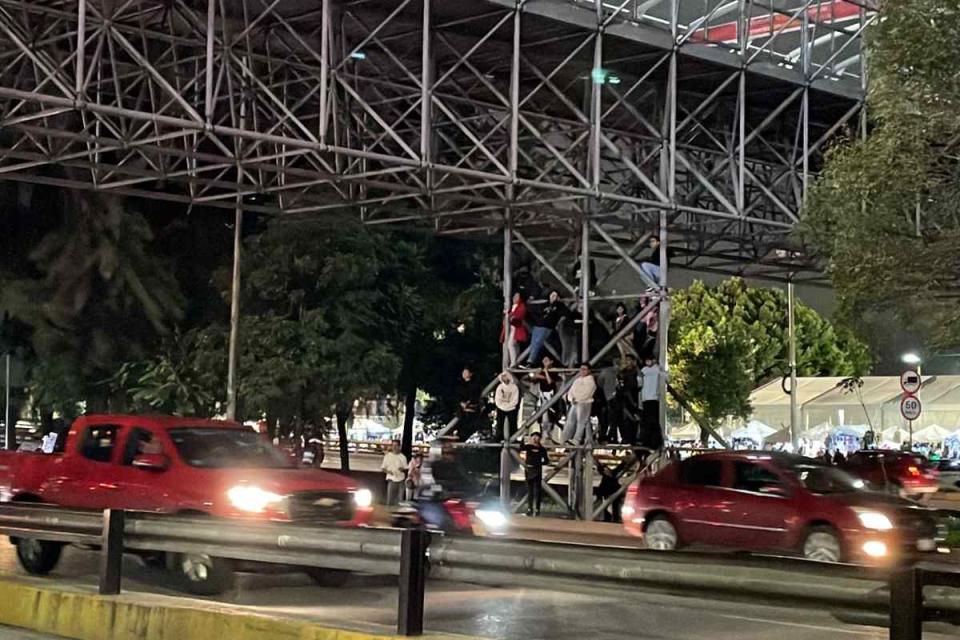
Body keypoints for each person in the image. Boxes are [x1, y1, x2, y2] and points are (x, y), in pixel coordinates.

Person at [527, 290, 567, 366]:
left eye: (555, 295)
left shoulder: (560, 306)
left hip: (547, 326)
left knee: (538, 342)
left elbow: (565, 314)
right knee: (533, 343)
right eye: (552, 295)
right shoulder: (545, 304)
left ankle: (530, 361)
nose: (553, 297)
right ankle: (530, 361)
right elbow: (538, 311)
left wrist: (559, 322)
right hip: (538, 325)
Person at [563, 363, 597, 445]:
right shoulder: (577, 380)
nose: (582, 371)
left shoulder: (591, 381)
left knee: (581, 422)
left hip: (584, 403)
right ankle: (565, 438)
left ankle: (576, 440)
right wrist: (571, 398)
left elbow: (587, 393)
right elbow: (571, 391)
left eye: (584, 369)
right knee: (570, 421)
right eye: (581, 369)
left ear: (589, 370)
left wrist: (576, 398)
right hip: (574, 403)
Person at [531, 355, 563, 441]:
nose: (544, 361)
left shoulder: (554, 371)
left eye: (547, 360)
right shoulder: (541, 370)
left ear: (551, 361)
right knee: (542, 416)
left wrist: (545, 373)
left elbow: (550, 381)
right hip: (542, 396)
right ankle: (543, 434)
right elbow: (534, 378)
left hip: (551, 396)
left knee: (550, 416)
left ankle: (548, 435)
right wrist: (539, 374)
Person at [639, 357, 667, 451]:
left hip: (654, 398)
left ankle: (655, 442)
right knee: (647, 422)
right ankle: (648, 441)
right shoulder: (644, 370)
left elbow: (666, 376)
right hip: (645, 399)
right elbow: (639, 382)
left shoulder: (657, 369)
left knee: (653, 421)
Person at [612, 355, 641, 445]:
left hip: (632, 397)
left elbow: (638, 385)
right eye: (626, 360)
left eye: (629, 360)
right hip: (622, 397)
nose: (627, 362)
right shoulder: (622, 372)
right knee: (621, 419)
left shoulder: (636, 372)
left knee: (632, 419)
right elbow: (618, 384)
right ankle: (625, 437)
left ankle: (632, 438)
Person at [520, 432, 550, 516]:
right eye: (533, 437)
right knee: (530, 491)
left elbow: (546, 460)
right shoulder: (529, 447)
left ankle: (537, 509)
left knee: (537, 490)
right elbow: (521, 448)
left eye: (537, 437)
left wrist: (539, 463)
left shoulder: (542, 449)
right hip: (529, 469)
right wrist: (523, 439)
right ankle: (530, 509)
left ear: (539, 438)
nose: (535, 439)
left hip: (537, 470)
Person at [500, 291, 529, 366]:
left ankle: (514, 362)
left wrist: (512, 317)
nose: (514, 298)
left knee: (511, 344)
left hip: (517, 327)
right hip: (511, 327)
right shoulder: (513, 306)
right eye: (514, 296)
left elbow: (519, 315)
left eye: (517, 296)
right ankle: (515, 360)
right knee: (512, 344)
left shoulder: (522, 306)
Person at [455, 366, 483, 441]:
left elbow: (476, 395)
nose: (464, 374)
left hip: (472, 406)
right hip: (462, 408)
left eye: (466, 372)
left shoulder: (476, 384)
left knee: (470, 424)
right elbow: (457, 396)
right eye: (463, 372)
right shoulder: (460, 384)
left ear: (471, 374)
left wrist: (468, 403)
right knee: (461, 422)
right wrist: (461, 403)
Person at [494, 371, 520, 440]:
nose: (505, 378)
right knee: (500, 424)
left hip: (511, 409)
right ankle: (499, 438)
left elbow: (515, 400)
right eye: (503, 377)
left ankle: (513, 438)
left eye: (506, 376)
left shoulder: (514, 387)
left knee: (513, 424)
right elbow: (497, 399)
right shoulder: (499, 387)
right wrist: (503, 406)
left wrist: (509, 406)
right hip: (501, 408)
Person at [380, 440, 408, 506]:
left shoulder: (403, 457)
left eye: (396, 445)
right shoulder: (388, 456)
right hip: (391, 479)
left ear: (399, 446)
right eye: (393, 445)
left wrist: (402, 469)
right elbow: (383, 468)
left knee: (400, 501)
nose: (394, 447)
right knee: (390, 499)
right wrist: (388, 472)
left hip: (401, 480)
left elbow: (406, 469)